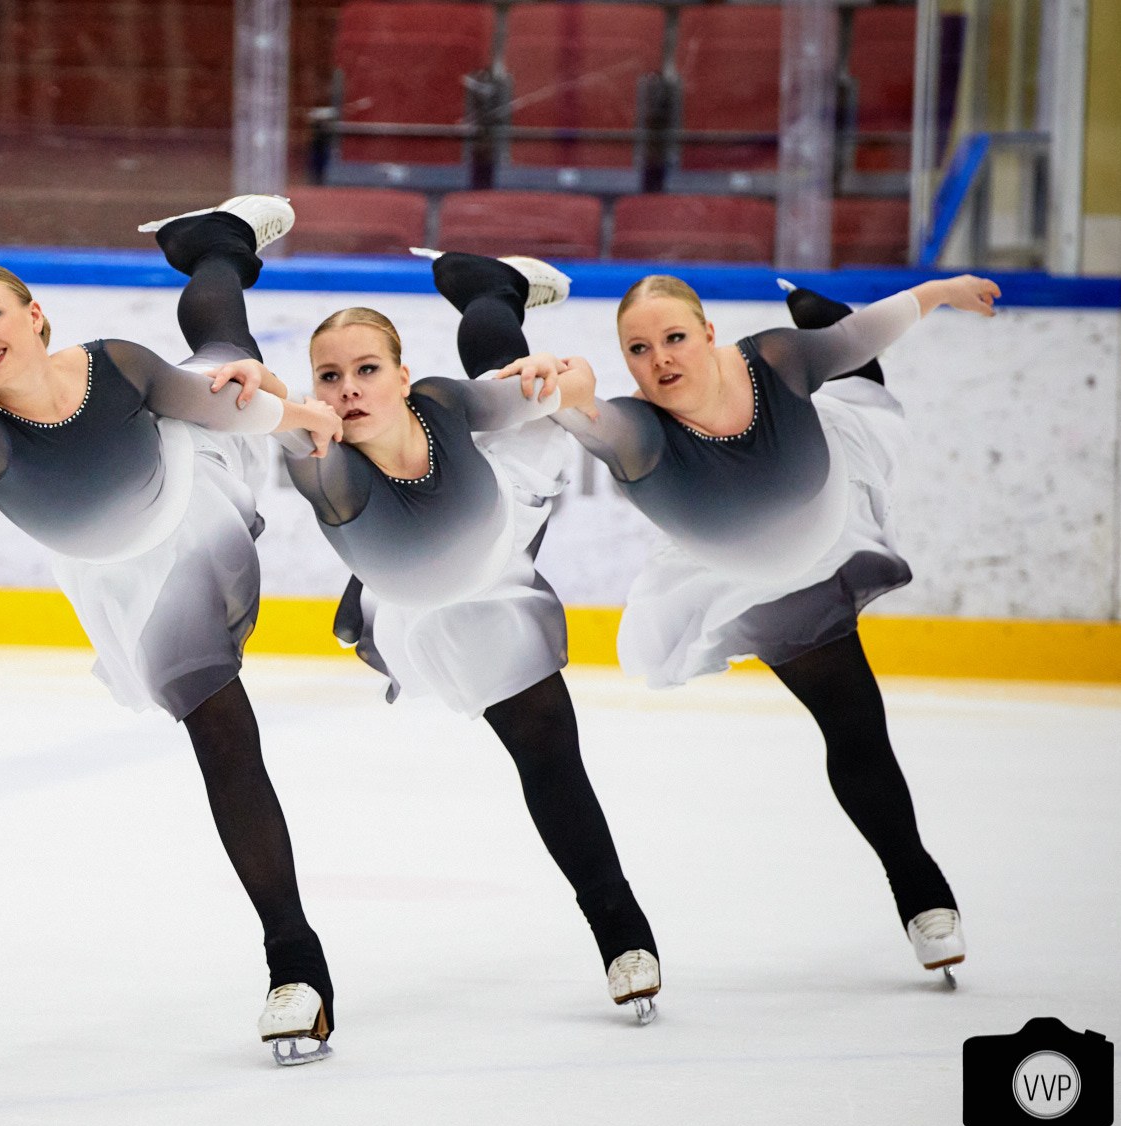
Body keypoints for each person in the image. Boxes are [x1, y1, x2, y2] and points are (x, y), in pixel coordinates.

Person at [0, 197, 348, 1065]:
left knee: (226, 361)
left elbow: (209, 405)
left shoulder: (114, 360)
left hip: (193, 481)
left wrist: (295, 413)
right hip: (126, 573)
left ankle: (217, 245)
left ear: (35, 315)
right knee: (220, 731)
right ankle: (297, 965)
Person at [220, 249, 664, 1020]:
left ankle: (621, 931)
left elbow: (572, 387)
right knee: (535, 730)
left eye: (366, 370)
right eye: (330, 376)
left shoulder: (440, 401)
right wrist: (267, 388)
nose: (348, 388)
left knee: (547, 745)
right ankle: (487, 289)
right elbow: (257, 408)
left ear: (401, 377)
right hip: (422, 594)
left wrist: (564, 374)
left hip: (498, 522)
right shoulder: (319, 454)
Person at [546, 270, 1000, 984]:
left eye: (674, 338)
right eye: (638, 349)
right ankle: (921, 887)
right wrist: (569, 392)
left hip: (828, 509)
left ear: (708, 334)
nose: (660, 359)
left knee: (853, 371)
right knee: (848, 714)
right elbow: (584, 417)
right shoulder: (640, 429)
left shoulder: (775, 359)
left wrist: (941, 291)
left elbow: (856, 337)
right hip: (748, 576)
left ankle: (920, 891)